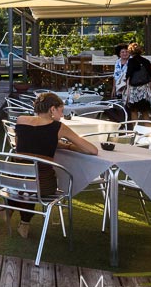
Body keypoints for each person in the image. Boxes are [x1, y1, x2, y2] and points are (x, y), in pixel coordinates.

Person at [9, 92, 98, 238]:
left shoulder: (21, 120)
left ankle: (13, 211)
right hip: (43, 186)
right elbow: (92, 150)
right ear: (52, 109)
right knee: (37, 179)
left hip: (15, 181)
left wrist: (60, 145)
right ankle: (23, 223)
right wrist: (68, 146)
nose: (62, 115)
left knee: (29, 179)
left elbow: (22, 148)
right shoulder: (59, 127)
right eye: (61, 111)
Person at [125, 42, 151, 121]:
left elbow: (128, 74)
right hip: (144, 88)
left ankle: (135, 129)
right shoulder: (146, 61)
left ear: (130, 51)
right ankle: (148, 129)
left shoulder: (131, 61)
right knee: (145, 111)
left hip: (134, 89)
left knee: (134, 110)